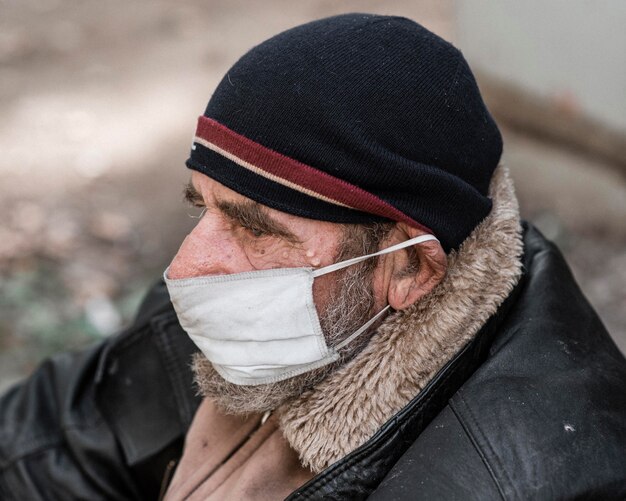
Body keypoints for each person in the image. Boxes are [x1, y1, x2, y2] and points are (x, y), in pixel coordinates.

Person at [1, 13, 625, 500]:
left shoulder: (534, 476)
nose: (185, 270)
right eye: (204, 208)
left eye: (256, 230)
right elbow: (40, 448)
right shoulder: (240, 308)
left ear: (409, 267)